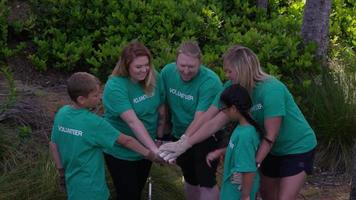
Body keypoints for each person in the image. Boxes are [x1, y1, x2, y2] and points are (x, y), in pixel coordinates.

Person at [159, 45, 317, 200]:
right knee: (267, 194)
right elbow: (211, 120)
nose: (226, 75)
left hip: (296, 147)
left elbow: (271, 135)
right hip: (269, 149)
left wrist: (249, 169)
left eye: (229, 71)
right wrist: (184, 143)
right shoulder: (232, 88)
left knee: (284, 197)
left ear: (242, 69)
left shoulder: (271, 89)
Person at [49, 72, 157, 200]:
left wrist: (62, 173)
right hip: (93, 188)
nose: (100, 97)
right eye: (95, 95)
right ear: (81, 99)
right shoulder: (94, 123)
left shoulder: (62, 113)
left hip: (72, 183)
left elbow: (53, 145)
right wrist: (150, 154)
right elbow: (126, 141)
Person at [159, 41, 223, 200]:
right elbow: (162, 104)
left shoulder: (210, 81)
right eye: (182, 65)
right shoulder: (167, 72)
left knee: (206, 180)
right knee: (189, 177)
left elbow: (201, 118)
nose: (186, 71)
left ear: (200, 63)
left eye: (191, 67)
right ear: (176, 61)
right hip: (179, 131)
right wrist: (163, 132)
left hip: (205, 135)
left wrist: (182, 143)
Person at [102, 41, 165, 200]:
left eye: (147, 65)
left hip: (146, 149)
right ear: (126, 66)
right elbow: (132, 121)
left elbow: (161, 109)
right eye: (138, 67)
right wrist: (154, 151)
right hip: (121, 151)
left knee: (137, 190)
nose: (144, 70)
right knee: (128, 194)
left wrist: (158, 139)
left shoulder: (154, 77)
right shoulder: (115, 86)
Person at [206, 84, 261, 200]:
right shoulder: (242, 127)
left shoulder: (245, 135)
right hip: (231, 187)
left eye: (224, 109)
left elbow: (249, 169)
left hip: (237, 191)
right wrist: (220, 152)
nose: (224, 112)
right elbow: (239, 149)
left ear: (234, 108)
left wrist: (245, 196)